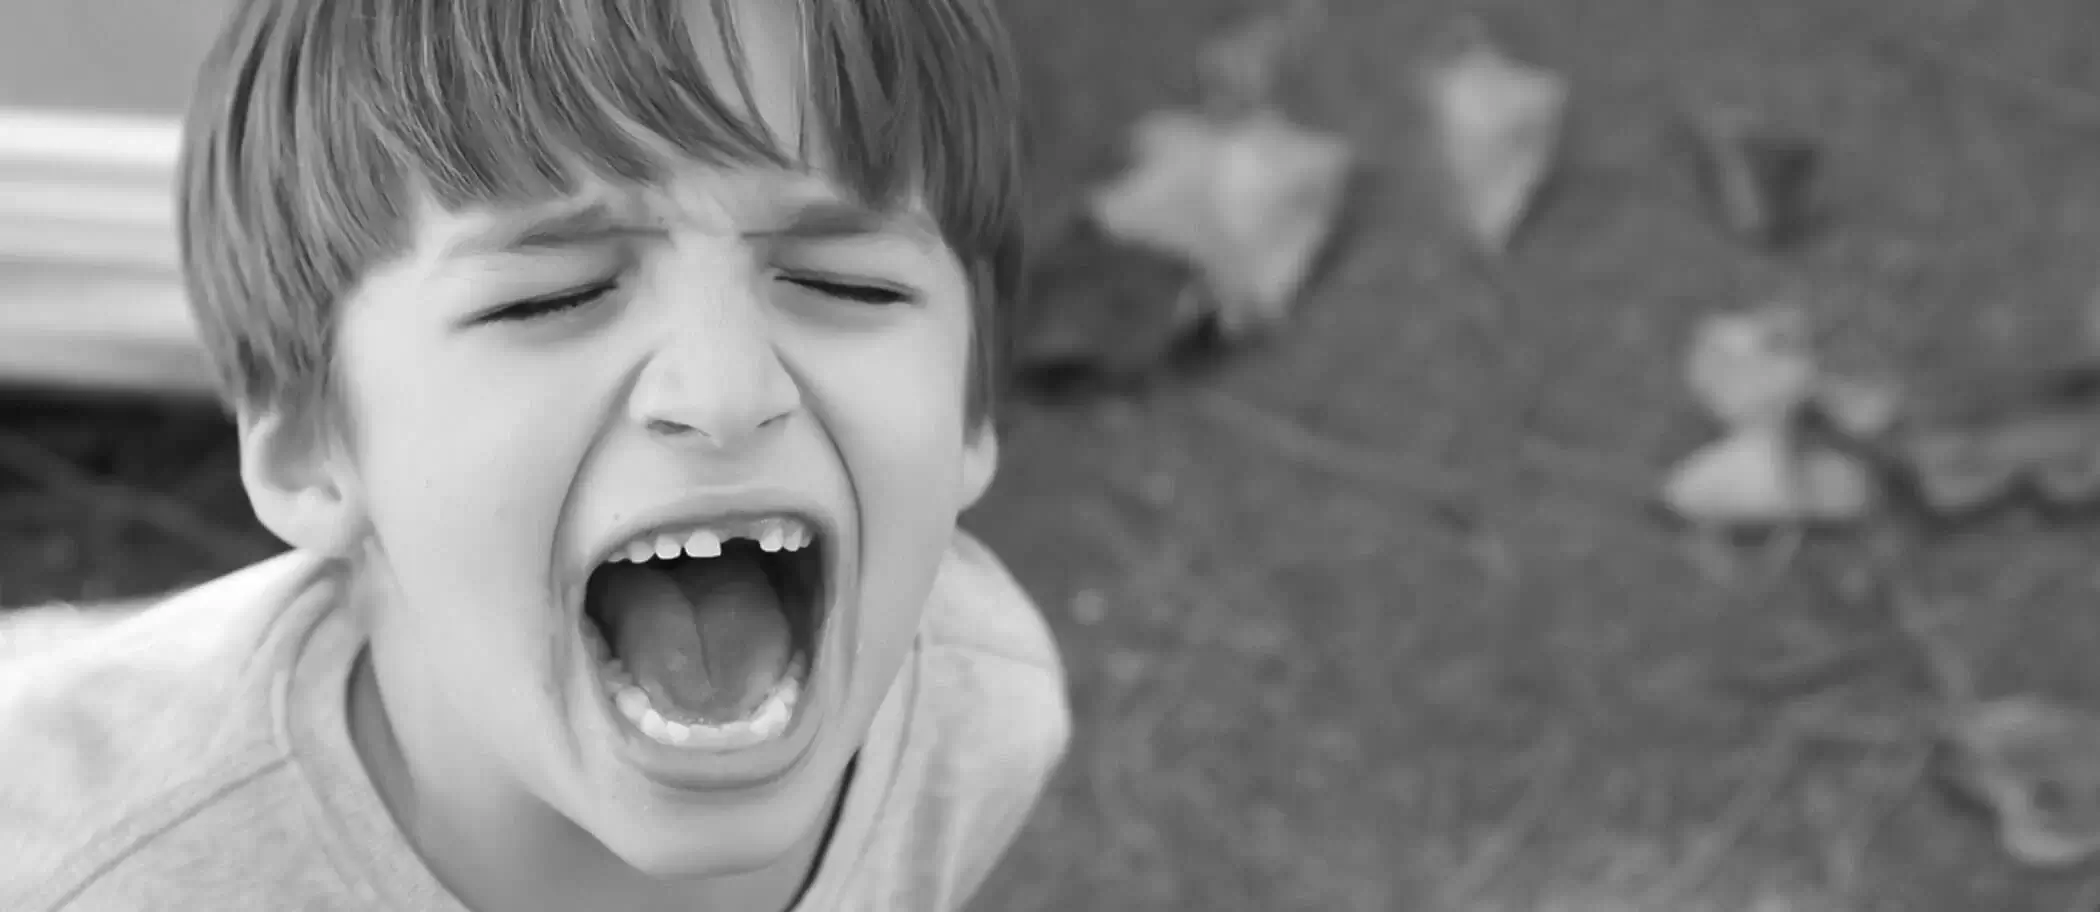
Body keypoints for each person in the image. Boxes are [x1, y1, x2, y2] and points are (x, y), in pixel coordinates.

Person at [0, 0, 1071, 909]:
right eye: (552, 296)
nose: (725, 393)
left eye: (850, 285)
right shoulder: (90, 874)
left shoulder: (980, 721)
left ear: (971, 408)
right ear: (311, 448)